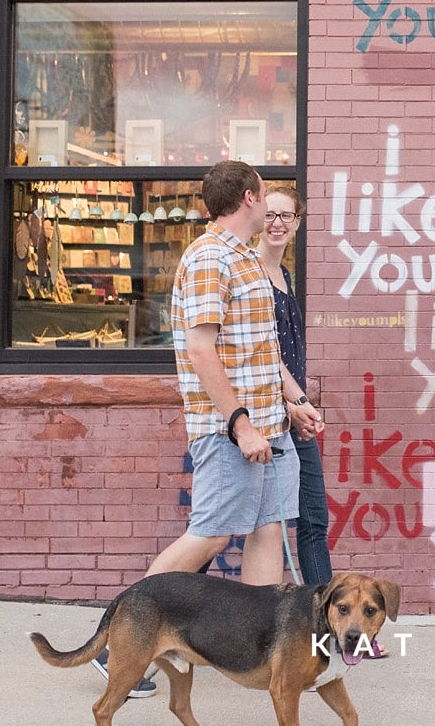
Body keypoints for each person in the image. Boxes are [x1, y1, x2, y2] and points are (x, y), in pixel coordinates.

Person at [93, 160, 322, 696]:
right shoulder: (208, 258)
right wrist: (241, 425)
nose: (270, 203)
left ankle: (265, 650)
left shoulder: (247, 258)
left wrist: (294, 402)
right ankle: (119, 648)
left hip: (271, 431)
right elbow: (201, 350)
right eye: (265, 193)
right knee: (211, 533)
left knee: (268, 529)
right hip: (230, 435)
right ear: (249, 197)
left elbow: (263, 352)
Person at [254, 185, 333, 587]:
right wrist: (297, 401)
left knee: (314, 520)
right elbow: (264, 354)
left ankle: (330, 627)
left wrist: (297, 406)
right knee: (218, 529)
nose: (277, 223)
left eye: (286, 216)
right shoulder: (250, 272)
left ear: (298, 223)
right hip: (265, 415)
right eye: (270, 214)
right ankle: (166, 612)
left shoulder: (284, 276)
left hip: (292, 414)